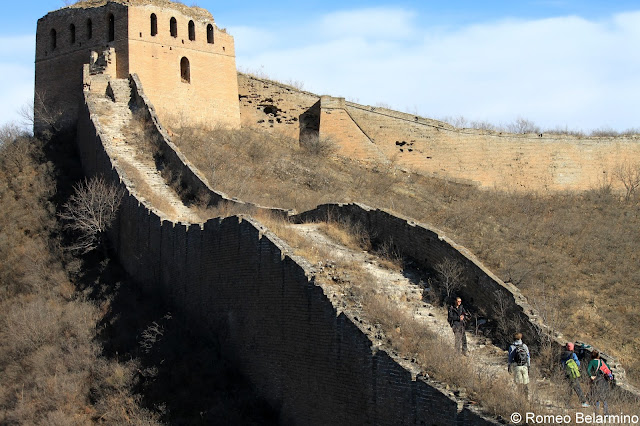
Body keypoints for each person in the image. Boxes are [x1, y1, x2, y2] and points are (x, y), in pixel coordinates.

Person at [560, 342, 590, 408]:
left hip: (566, 373)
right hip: (573, 373)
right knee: (577, 387)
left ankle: (567, 403)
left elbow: (561, 363)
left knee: (569, 388)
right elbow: (578, 363)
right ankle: (583, 402)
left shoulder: (563, 354)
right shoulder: (572, 354)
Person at [508, 332, 530, 399]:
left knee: (519, 384)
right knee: (525, 384)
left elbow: (510, 358)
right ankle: (526, 398)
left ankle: (520, 399)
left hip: (517, 366)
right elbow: (528, 356)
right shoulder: (524, 346)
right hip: (525, 366)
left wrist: (509, 367)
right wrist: (528, 366)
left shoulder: (512, 347)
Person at [587, 350, 610, 415]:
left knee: (597, 397)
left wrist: (591, 376)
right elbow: (608, 368)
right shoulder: (602, 361)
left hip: (597, 380)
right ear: (598, 355)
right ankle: (606, 414)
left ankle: (597, 413)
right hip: (604, 380)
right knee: (604, 397)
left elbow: (588, 370)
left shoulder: (592, 362)